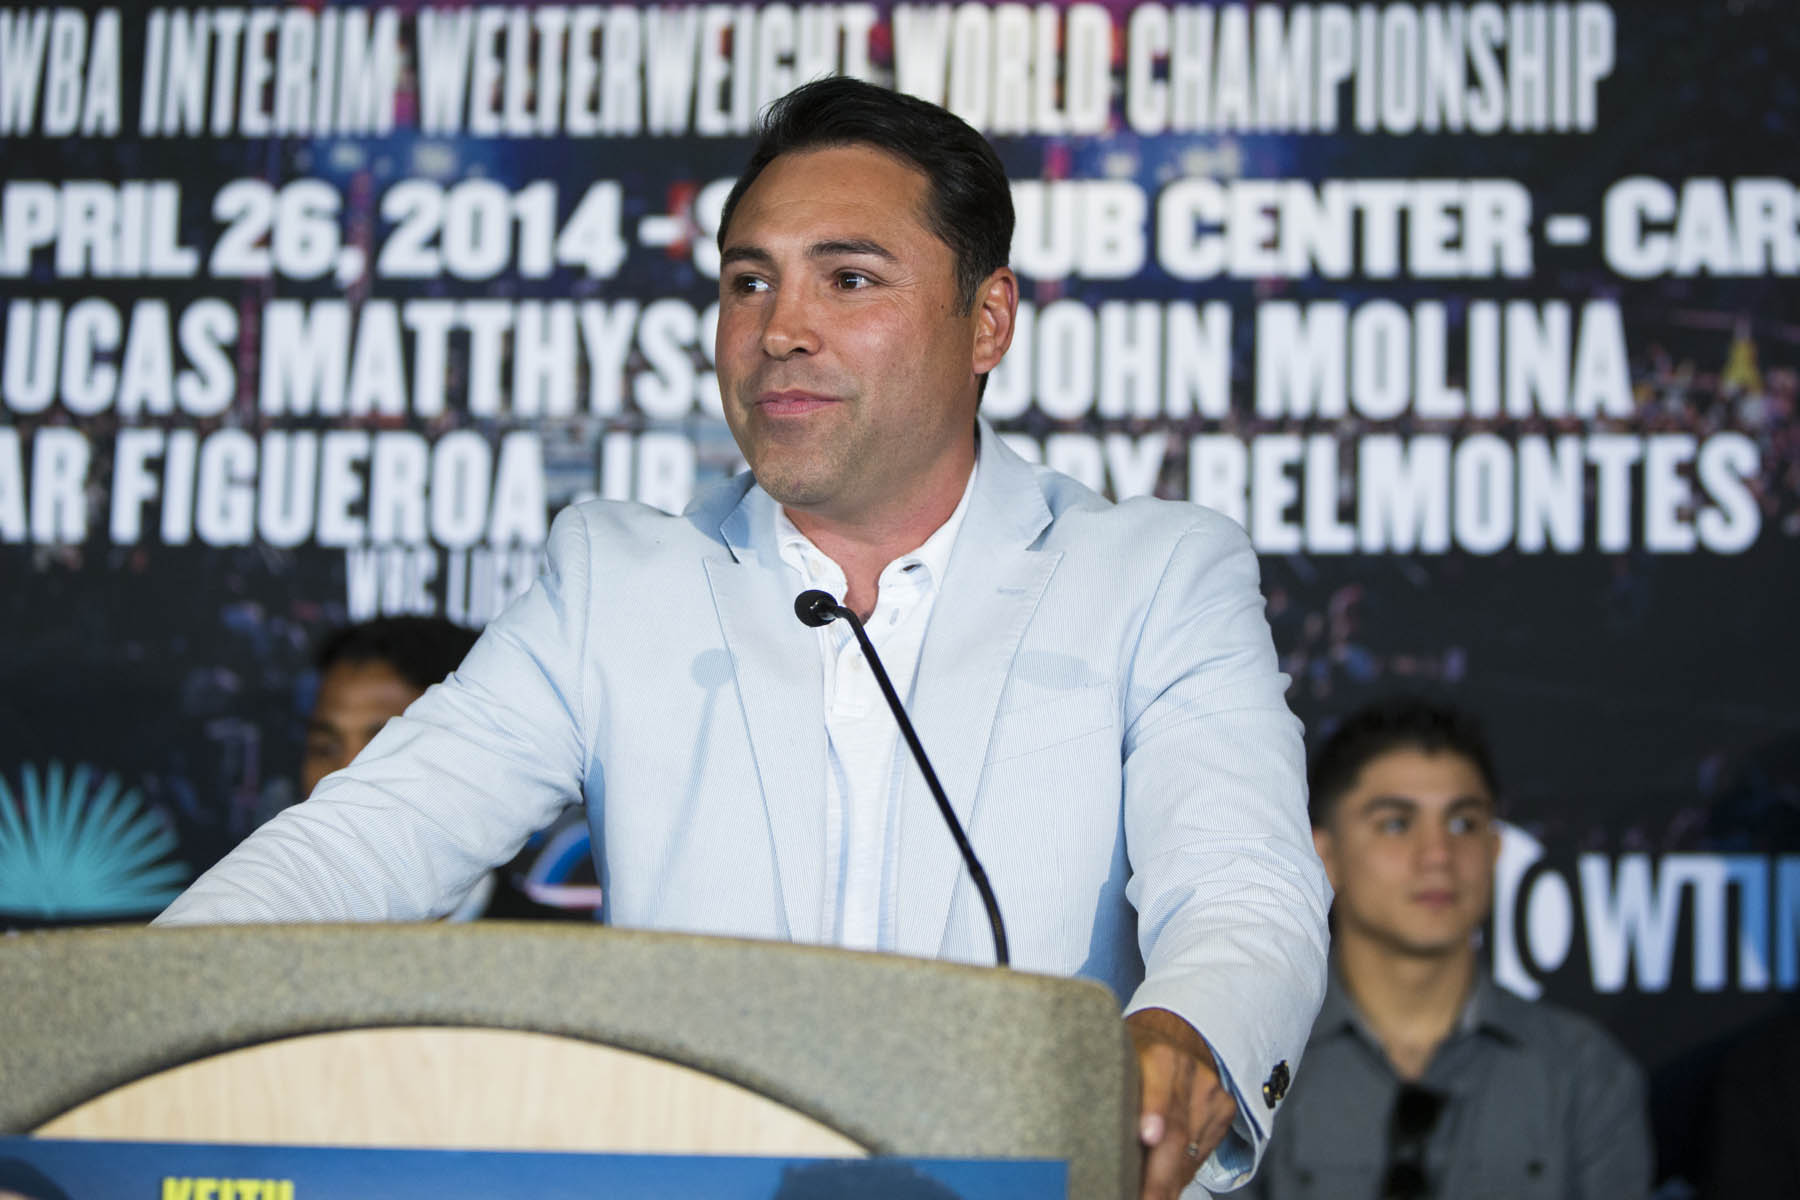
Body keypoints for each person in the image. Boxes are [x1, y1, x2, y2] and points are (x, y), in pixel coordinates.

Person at [156, 77, 1329, 1198]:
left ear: (987, 322)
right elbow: (361, 843)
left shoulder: (1151, 576)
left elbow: (1245, 889)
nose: (780, 330)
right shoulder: (618, 584)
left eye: (849, 279)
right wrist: (125, 1033)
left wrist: (1182, 1038)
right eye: (749, 282)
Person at [1244, 696, 1651, 1199]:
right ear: (1324, 853)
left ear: (1495, 850)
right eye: (1396, 824)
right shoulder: (1254, 1063)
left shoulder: (1583, 1073)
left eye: (1464, 824)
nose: (1438, 855)